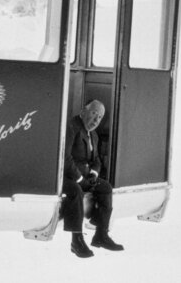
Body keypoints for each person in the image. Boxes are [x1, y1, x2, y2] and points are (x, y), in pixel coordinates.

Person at [61, 99, 124, 258]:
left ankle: (101, 235)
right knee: (75, 191)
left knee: (105, 188)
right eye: (94, 114)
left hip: (84, 176)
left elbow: (97, 160)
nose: (96, 120)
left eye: (100, 117)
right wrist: (80, 179)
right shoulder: (71, 127)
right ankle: (76, 241)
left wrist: (93, 175)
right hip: (65, 176)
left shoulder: (93, 135)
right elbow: (65, 158)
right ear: (83, 112)